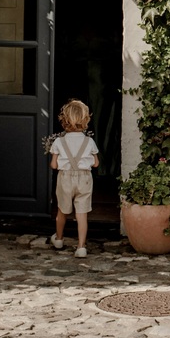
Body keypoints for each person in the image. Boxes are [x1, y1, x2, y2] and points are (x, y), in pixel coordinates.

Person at [48, 99, 99, 258]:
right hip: (84, 178)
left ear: (64, 119)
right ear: (85, 119)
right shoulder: (89, 141)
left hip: (65, 178)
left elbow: (54, 165)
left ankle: (59, 239)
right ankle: (81, 247)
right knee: (82, 214)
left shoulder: (59, 141)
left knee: (62, 210)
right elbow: (96, 163)